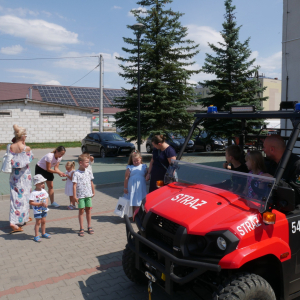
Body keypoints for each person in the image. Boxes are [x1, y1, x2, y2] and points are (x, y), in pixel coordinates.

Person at [9, 124, 34, 233]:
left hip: (15, 175)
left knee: (15, 197)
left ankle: (22, 217)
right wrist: (24, 144)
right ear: (23, 136)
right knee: (24, 196)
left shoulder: (11, 147)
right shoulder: (26, 148)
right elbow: (30, 159)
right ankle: (14, 222)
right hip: (24, 175)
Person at [263, 135, 300, 204]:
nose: (263, 150)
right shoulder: (272, 163)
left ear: (272, 149)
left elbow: (297, 194)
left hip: (292, 209)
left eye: (264, 147)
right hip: (274, 204)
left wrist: (275, 181)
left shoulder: (296, 165)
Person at [72, 153, 95, 237]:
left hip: (88, 194)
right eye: (86, 162)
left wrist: (93, 191)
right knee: (81, 211)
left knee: (88, 210)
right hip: (80, 196)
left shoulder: (88, 172)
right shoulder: (76, 173)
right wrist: (74, 196)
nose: (88, 164)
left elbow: (91, 182)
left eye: (88, 162)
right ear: (80, 163)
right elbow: (74, 185)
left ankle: (89, 226)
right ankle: (81, 227)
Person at [124, 150, 148, 216]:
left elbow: (147, 176)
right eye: (134, 161)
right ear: (132, 160)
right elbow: (126, 178)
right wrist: (125, 188)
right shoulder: (130, 167)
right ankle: (131, 215)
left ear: (141, 158)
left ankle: (138, 215)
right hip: (132, 187)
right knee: (132, 201)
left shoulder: (144, 166)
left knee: (140, 201)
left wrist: (148, 176)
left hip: (141, 187)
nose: (136, 162)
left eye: (137, 160)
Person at [29, 174, 51, 242]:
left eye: (43, 183)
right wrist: (39, 204)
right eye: (41, 183)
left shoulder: (43, 191)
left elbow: (46, 197)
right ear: (36, 184)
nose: (43, 184)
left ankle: (43, 233)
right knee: (38, 222)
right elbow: (31, 202)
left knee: (44, 221)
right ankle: (36, 235)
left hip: (44, 209)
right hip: (37, 210)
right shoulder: (33, 193)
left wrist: (46, 203)